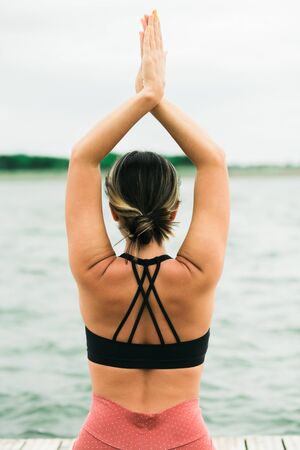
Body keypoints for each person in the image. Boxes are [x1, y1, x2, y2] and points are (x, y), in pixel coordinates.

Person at [65, 8, 230, 450]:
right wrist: (158, 98)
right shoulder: (198, 276)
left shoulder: (93, 274)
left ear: (114, 212)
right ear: (175, 211)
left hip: (102, 438)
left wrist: (144, 95)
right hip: (186, 439)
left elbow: (83, 156)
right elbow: (212, 160)